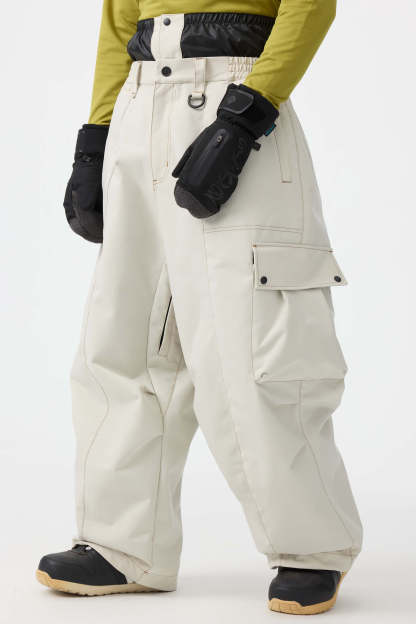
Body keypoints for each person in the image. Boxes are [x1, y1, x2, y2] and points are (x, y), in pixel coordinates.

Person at [36, 0, 363, 615]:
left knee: (255, 342)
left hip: (237, 97)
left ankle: (310, 547)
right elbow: (119, 19)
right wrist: (96, 139)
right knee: (124, 338)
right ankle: (122, 546)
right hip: (138, 103)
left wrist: (247, 114)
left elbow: (311, 5)